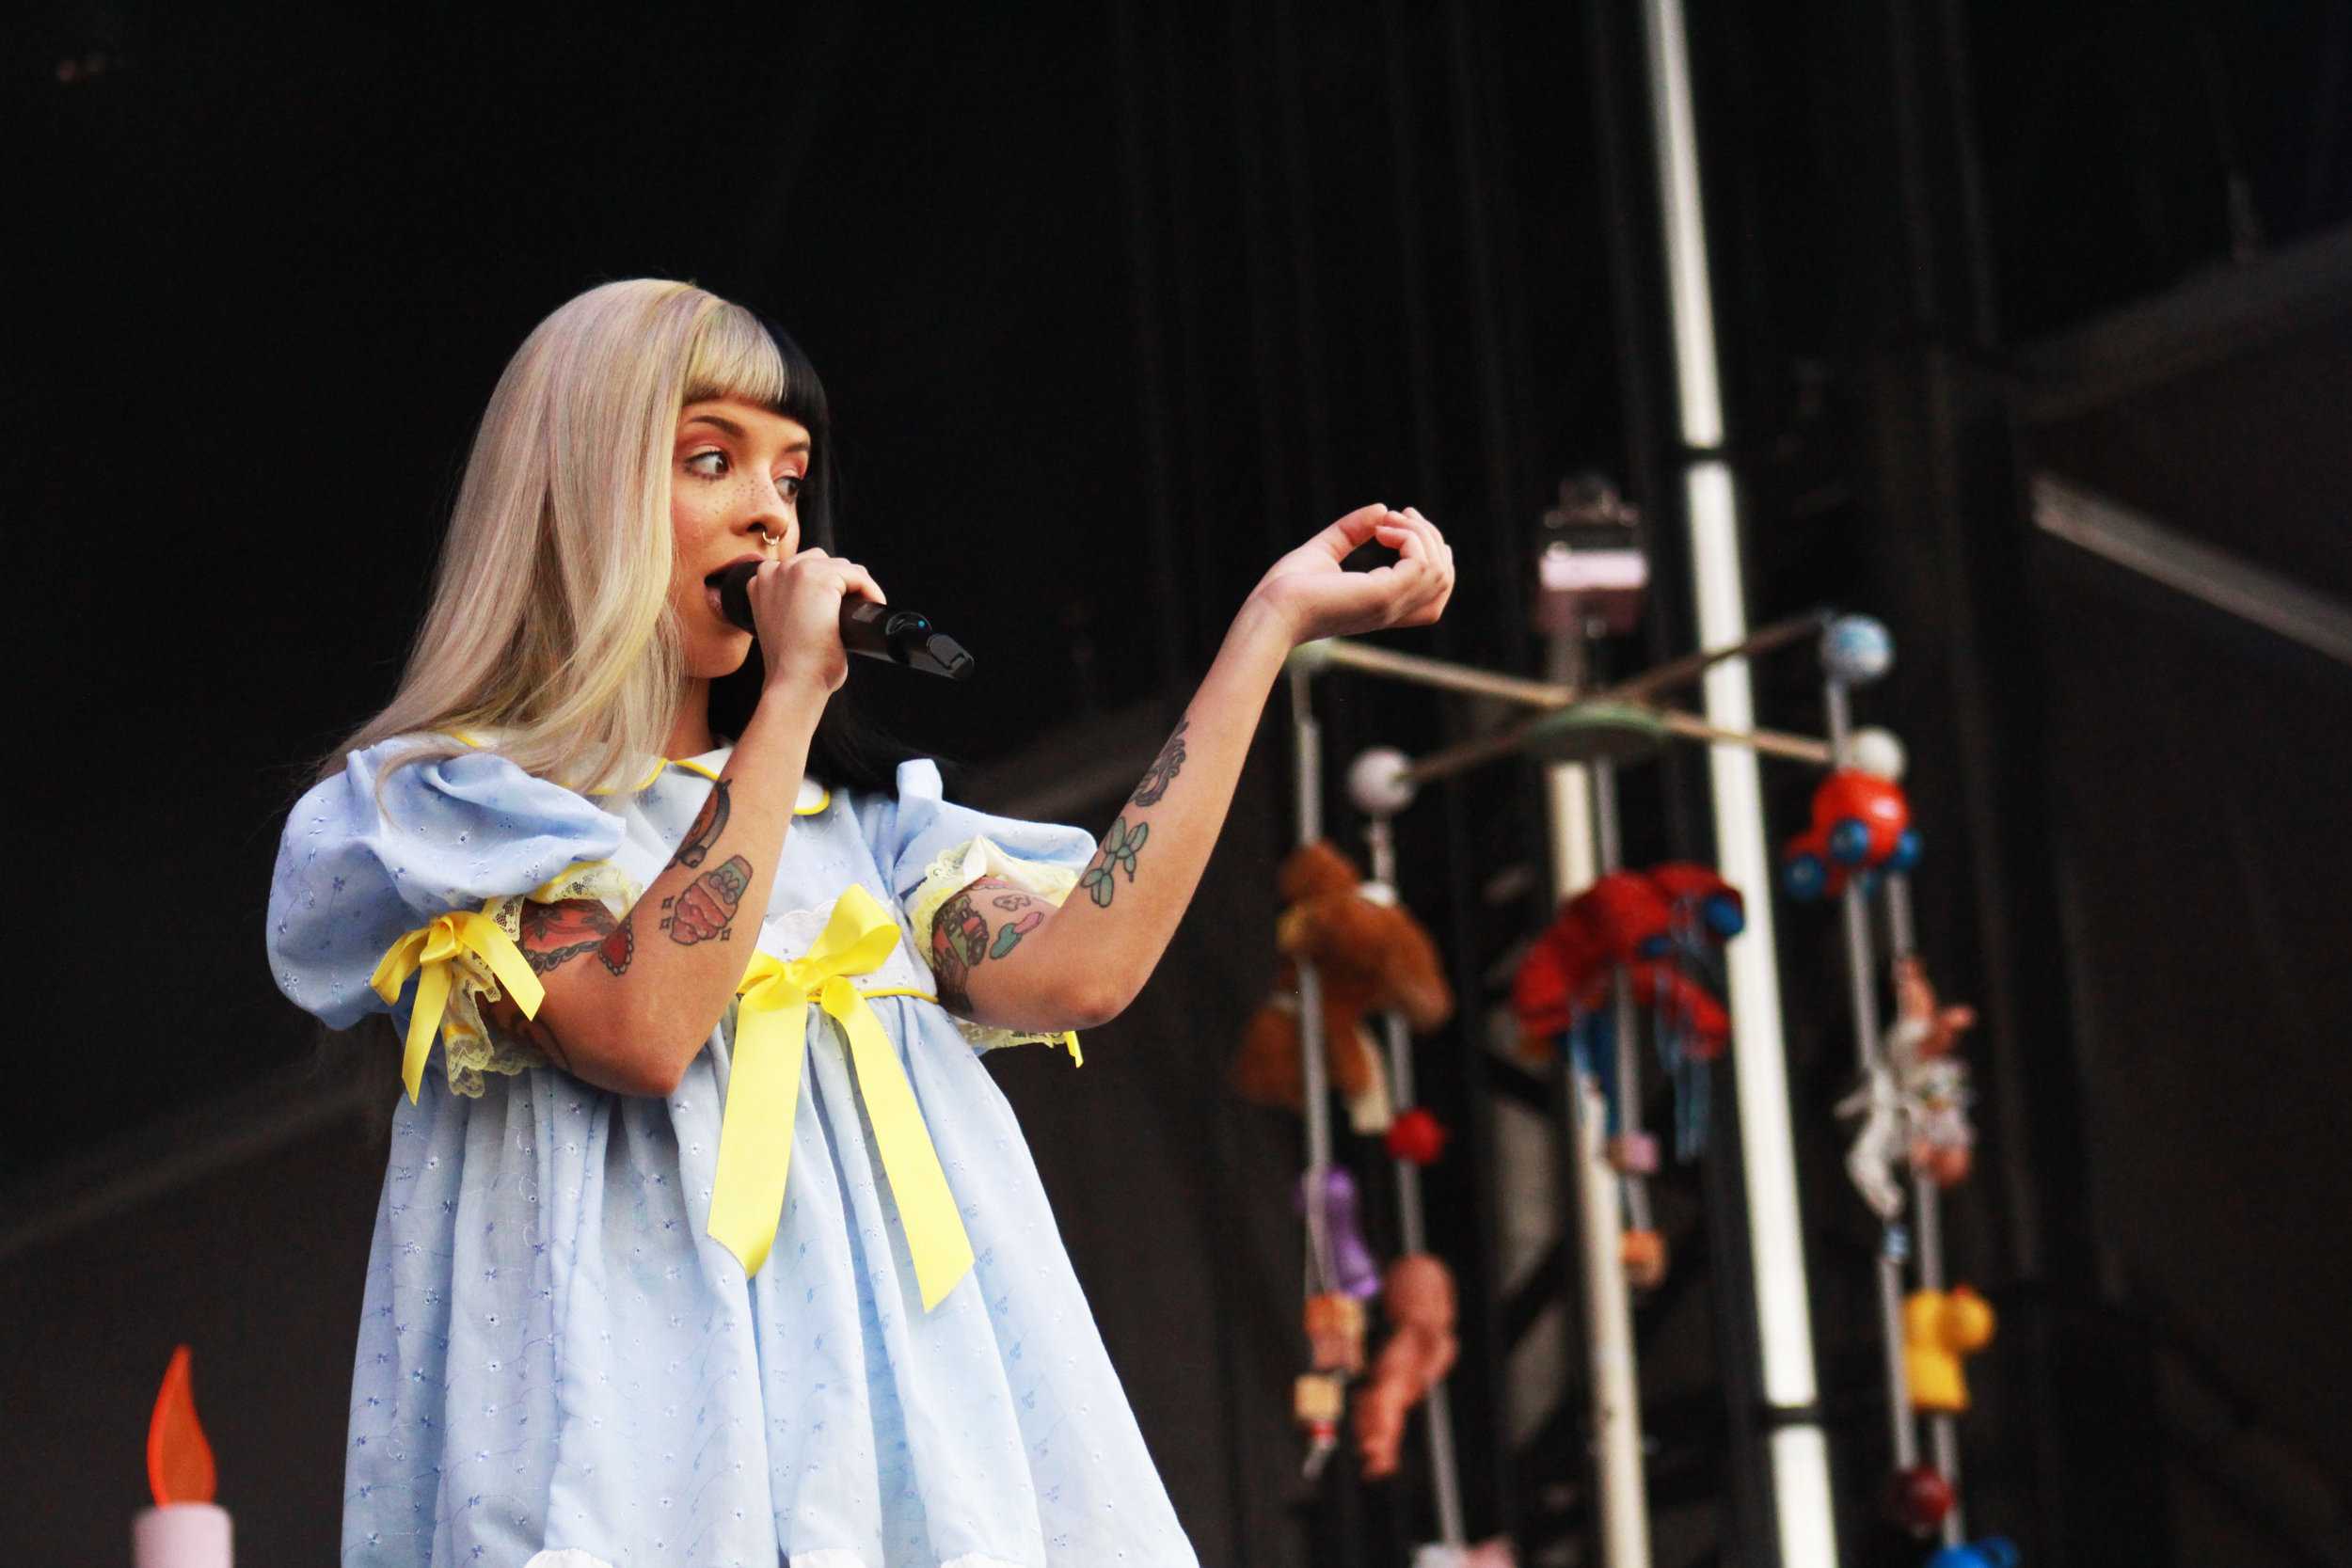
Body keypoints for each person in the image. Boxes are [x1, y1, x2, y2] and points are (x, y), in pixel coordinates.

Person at [265, 277, 1454, 1568]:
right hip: (629, 1476)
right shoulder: (442, 814)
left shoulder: (877, 840)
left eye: (790, 475)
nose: (771, 514)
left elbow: (1086, 972)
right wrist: (788, 701)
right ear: (575, 492)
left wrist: (1267, 629)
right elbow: (646, 1025)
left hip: (914, 1491)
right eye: (710, 459)